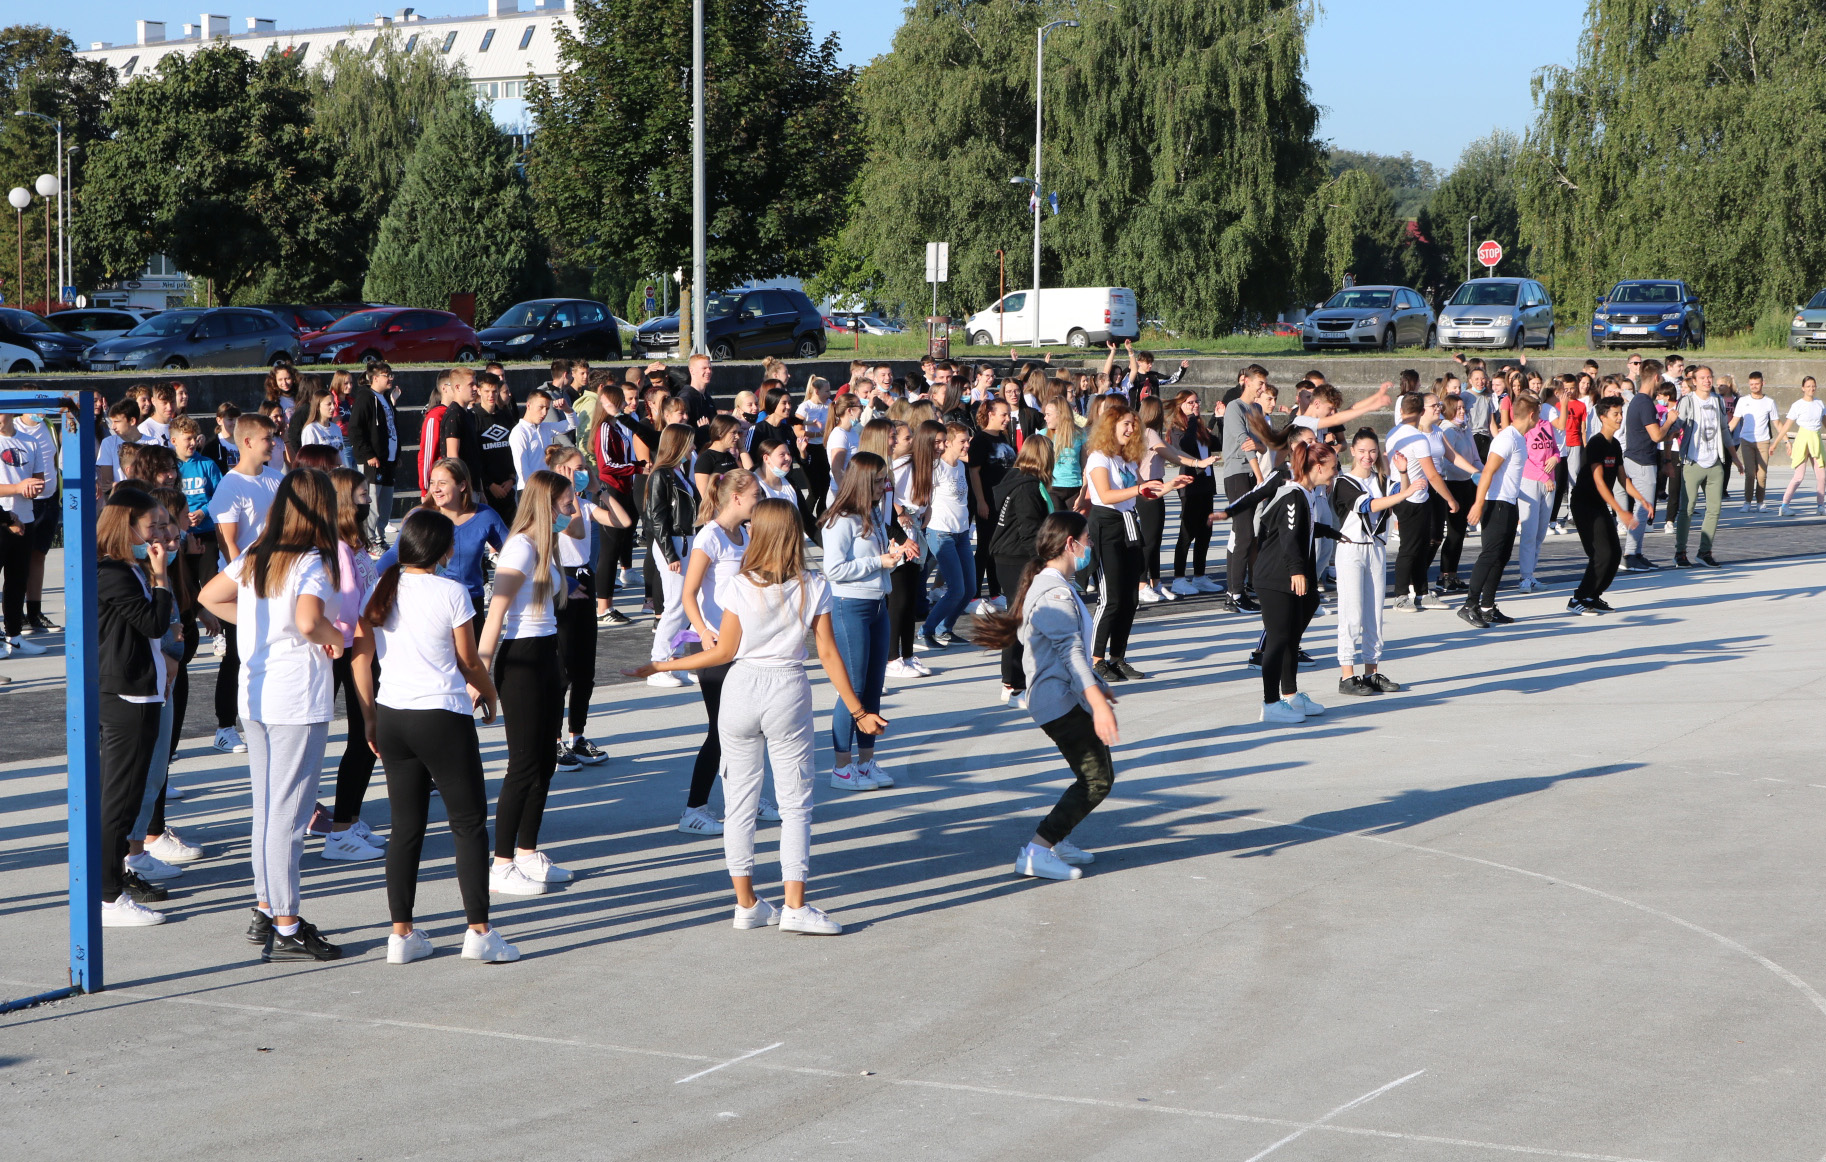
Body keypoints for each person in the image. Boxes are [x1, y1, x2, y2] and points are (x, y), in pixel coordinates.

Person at [630, 499, 886, 935]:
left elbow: (723, 652)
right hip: (787, 686)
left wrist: (663, 664)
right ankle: (794, 905)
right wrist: (859, 710)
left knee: (739, 805)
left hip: (741, 687)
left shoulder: (739, 585)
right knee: (795, 804)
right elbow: (826, 652)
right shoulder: (813, 583)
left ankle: (746, 903)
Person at [352, 509, 520, 964]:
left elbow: (361, 659)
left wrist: (369, 718)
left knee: (406, 827)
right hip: (441, 715)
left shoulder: (379, 589)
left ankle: (400, 935)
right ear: (445, 550)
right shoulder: (451, 591)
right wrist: (490, 697)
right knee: (467, 824)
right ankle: (479, 932)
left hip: (392, 714)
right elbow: (469, 661)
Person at [197, 468, 348, 962]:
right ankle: (285, 921)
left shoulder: (258, 555)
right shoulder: (312, 561)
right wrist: (333, 637)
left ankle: (267, 904)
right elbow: (308, 620)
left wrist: (265, 624)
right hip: (296, 698)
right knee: (290, 813)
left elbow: (209, 596)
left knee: (267, 808)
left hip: (256, 694)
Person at [971, 510, 1117, 881]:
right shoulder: (1053, 592)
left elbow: (1063, 652)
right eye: (1087, 539)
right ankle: (1037, 850)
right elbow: (1068, 653)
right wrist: (1097, 702)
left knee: (1092, 772)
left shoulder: (1049, 583)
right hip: (1058, 701)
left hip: (1062, 697)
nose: (1090, 546)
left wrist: (1097, 688)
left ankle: (1056, 838)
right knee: (1096, 779)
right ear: (1071, 544)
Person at [476, 469, 586, 896]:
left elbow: (575, 526)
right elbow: (497, 612)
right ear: (545, 505)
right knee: (522, 765)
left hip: (545, 657)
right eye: (564, 503)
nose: (571, 509)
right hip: (520, 661)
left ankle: (526, 852)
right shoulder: (520, 548)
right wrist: (481, 675)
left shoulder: (547, 545)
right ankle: (501, 864)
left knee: (543, 761)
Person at [93, 489, 175, 926]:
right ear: (127, 527)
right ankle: (106, 898)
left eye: (164, 524)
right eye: (152, 526)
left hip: (144, 691)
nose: (160, 534)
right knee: (117, 800)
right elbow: (153, 622)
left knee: (129, 800)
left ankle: (116, 880)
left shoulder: (129, 568)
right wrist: (160, 577)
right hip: (123, 695)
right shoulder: (111, 572)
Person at [820, 452, 916, 792]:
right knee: (853, 688)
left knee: (874, 685)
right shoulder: (840, 519)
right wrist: (878, 561)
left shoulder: (874, 513)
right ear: (861, 481)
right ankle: (841, 767)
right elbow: (833, 570)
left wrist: (891, 557)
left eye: (884, 480)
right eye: (877, 481)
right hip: (850, 606)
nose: (883, 487)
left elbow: (875, 561)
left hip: (877, 604)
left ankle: (866, 761)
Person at [677, 468, 764, 832]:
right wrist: (704, 632)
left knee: (749, 727)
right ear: (737, 498)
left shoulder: (744, 534)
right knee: (720, 729)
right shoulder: (709, 537)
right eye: (756, 494)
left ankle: (747, 800)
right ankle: (693, 809)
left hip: (742, 644)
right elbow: (688, 594)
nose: (760, 500)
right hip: (713, 644)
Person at [1083, 402, 1182, 681]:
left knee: (1129, 599)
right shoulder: (1098, 458)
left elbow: (1143, 493)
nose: (1131, 428)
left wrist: (1170, 486)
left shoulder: (1127, 459)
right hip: (1105, 525)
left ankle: (1118, 658)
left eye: (1133, 423)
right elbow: (1104, 494)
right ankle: (1096, 659)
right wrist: (1139, 487)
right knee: (1110, 598)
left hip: (1128, 524)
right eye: (1125, 423)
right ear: (1110, 426)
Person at [315, 467, 386, 860]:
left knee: (364, 738)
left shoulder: (355, 545)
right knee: (361, 736)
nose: (367, 500)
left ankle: (350, 818)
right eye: (361, 494)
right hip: (344, 649)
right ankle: (339, 832)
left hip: (363, 645)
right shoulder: (338, 549)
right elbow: (348, 607)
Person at [206, 414, 286, 756]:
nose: (274, 443)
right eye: (268, 438)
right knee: (237, 657)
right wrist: (246, 583)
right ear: (248, 442)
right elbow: (229, 543)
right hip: (242, 584)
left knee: (267, 653)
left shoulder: (275, 479)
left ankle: (264, 717)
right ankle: (225, 727)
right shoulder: (230, 485)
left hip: (274, 580)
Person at [1252, 441, 1341, 724]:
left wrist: (1332, 532)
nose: (1335, 471)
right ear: (1318, 467)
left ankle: (1290, 695)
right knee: (1278, 640)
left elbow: (1304, 527)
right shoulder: (1293, 495)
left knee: (1291, 638)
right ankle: (1270, 704)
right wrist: (1296, 571)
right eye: (1334, 466)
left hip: (1290, 576)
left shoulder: (1308, 494)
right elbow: (1289, 537)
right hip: (1276, 577)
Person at [544, 442, 619, 768]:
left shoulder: (586, 505)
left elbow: (624, 521)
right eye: (576, 469)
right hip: (561, 582)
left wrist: (601, 491)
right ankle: (555, 740)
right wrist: (569, 492)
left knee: (585, 670)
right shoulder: (551, 510)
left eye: (584, 469)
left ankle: (578, 736)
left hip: (585, 581)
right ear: (561, 472)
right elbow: (572, 529)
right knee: (561, 670)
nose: (583, 474)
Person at [1331, 433, 1423, 696]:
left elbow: (1401, 498)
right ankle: (1347, 676)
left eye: (1372, 451)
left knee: (1374, 615)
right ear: (1352, 452)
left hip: (1376, 550)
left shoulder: (1381, 479)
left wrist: (1404, 474)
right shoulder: (1344, 482)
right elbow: (1369, 505)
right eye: (1362, 451)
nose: (1367, 456)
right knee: (1351, 613)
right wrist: (1405, 489)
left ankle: (1371, 673)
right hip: (1350, 550)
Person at [381, 459, 508, 622]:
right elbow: (395, 553)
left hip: (470, 603)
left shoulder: (485, 515)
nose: (435, 489)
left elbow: (512, 551)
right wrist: (370, 578)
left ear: (462, 486)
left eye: (442, 483)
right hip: (429, 602)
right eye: (432, 483)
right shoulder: (419, 516)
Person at [1459, 394, 1538, 629]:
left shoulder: (1519, 438)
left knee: (1501, 557)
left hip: (1509, 503)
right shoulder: (1507, 438)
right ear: (1532, 415)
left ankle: (1488, 607)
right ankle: (1469, 605)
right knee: (1490, 555)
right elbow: (1488, 472)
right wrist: (1479, 503)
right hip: (1496, 504)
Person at [988, 436, 1056, 706]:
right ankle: (1013, 685)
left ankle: (1020, 680)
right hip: (1017, 558)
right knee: (1018, 622)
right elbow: (1030, 532)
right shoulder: (1028, 487)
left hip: (1009, 557)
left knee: (1021, 620)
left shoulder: (1016, 480)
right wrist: (1044, 563)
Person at [1569, 398, 1648, 614]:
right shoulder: (1596, 443)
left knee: (1614, 553)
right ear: (1603, 418)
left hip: (1599, 504)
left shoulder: (1614, 445)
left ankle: (1593, 596)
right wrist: (1620, 510)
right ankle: (1578, 599)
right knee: (1600, 553)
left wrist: (1642, 500)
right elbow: (1599, 481)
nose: (1620, 417)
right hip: (1584, 504)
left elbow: (1623, 479)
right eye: (1616, 414)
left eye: (1621, 413)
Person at [643, 423, 699, 687]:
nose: (692, 447)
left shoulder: (679, 472)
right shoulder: (662, 474)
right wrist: (670, 554)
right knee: (676, 603)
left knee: (686, 604)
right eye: (689, 442)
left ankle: (673, 660)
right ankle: (659, 663)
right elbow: (657, 517)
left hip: (685, 540)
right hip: (673, 543)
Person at [1671, 366, 1736, 568]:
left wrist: (1735, 457)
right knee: (1686, 510)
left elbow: (1724, 430)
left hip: (1715, 461)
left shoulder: (1717, 400)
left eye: (1709, 377)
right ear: (1694, 381)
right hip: (1693, 461)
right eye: (1702, 378)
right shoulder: (1688, 401)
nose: (1707, 381)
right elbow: (1676, 427)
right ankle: (1680, 552)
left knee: (1714, 509)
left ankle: (1704, 551)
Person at [0, 409, 51, 661]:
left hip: (25, 518)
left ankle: (14, 636)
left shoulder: (30, 441)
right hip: (3, 519)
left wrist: (31, 488)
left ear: (10, 413)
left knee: (17, 580)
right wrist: (17, 487)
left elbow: (39, 480)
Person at [922, 421, 976, 651]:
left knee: (970, 589)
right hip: (941, 532)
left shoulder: (960, 467)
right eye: (962, 442)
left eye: (968, 441)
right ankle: (926, 630)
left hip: (961, 533)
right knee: (956, 589)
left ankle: (946, 628)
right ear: (950, 443)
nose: (966, 446)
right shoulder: (936, 467)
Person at [1621, 361, 1678, 571]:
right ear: (1655, 377)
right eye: (1661, 377)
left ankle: (1635, 552)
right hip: (1642, 462)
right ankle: (1629, 555)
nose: (1662, 381)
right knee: (1643, 509)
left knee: (1643, 509)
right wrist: (1669, 421)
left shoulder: (1640, 401)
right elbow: (1656, 435)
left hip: (1639, 459)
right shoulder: (1644, 402)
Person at [1516, 386, 1564, 592]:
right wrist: (1544, 477)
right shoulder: (1523, 430)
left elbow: (1554, 449)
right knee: (1529, 531)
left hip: (1549, 482)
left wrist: (1555, 457)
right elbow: (1524, 459)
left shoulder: (1546, 425)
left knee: (1540, 533)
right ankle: (1524, 577)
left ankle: (1532, 573)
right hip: (1531, 482)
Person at [349, 363, 401, 550]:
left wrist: (397, 454)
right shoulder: (365, 398)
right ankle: (369, 540)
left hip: (389, 460)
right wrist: (368, 454)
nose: (391, 378)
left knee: (386, 503)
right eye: (386, 374)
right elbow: (355, 429)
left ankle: (380, 539)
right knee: (372, 503)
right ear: (374, 378)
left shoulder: (385, 398)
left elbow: (391, 428)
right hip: (372, 462)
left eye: (391, 374)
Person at [1770, 376, 1825, 516]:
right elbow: (1786, 426)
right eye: (1808, 386)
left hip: (1816, 440)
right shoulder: (1797, 405)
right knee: (1799, 476)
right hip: (1802, 441)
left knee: (1822, 476)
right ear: (1803, 388)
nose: (1811, 389)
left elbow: (1825, 422)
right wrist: (1775, 443)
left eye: (1813, 386)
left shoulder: (1820, 403)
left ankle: (1820, 505)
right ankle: (1784, 505)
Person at [472, 372, 521, 527]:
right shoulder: (473, 417)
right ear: (479, 391)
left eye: (494, 391)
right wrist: (488, 484)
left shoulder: (505, 416)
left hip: (507, 485)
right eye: (486, 391)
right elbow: (474, 456)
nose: (491, 395)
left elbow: (514, 449)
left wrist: (512, 478)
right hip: (487, 488)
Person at [1731, 372, 1777, 512]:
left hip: (1763, 441)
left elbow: (1777, 423)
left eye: (1757, 383)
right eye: (1751, 384)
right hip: (1746, 440)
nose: (1754, 386)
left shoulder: (1769, 402)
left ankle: (1760, 502)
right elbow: (1734, 421)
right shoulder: (1743, 401)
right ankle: (1747, 501)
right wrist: (1723, 434)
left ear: (1763, 383)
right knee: (1750, 473)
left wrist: (1786, 440)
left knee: (1762, 474)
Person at [511, 389, 556, 494]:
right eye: (541, 407)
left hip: (546, 487)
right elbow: (522, 467)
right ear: (528, 405)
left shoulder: (545, 427)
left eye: (547, 408)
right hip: (529, 490)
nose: (544, 413)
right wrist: (533, 489)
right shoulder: (519, 432)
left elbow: (573, 424)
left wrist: (567, 409)